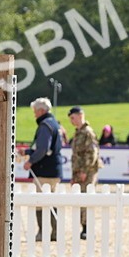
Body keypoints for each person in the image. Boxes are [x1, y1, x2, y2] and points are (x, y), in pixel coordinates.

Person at [23, 97, 63, 241]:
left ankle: (43, 232)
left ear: (41, 111)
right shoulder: (55, 124)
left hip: (45, 170)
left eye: (35, 111)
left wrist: (30, 161)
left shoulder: (45, 125)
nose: (34, 114)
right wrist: (28, 152)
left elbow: (43, 148)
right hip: (54, 169)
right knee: (52, 200)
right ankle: (55, 233)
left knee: (41, 202)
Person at [68, 107, 101, 240]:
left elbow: (91, 153)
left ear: (80, 116)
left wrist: (84, 171)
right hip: (79, 171)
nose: (71, 121)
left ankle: (87, 228)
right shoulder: (78, 132)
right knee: (81, 199)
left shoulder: (87, 132)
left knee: (87, 199)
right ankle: (83, 227)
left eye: (73, 118)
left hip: (88, 171)